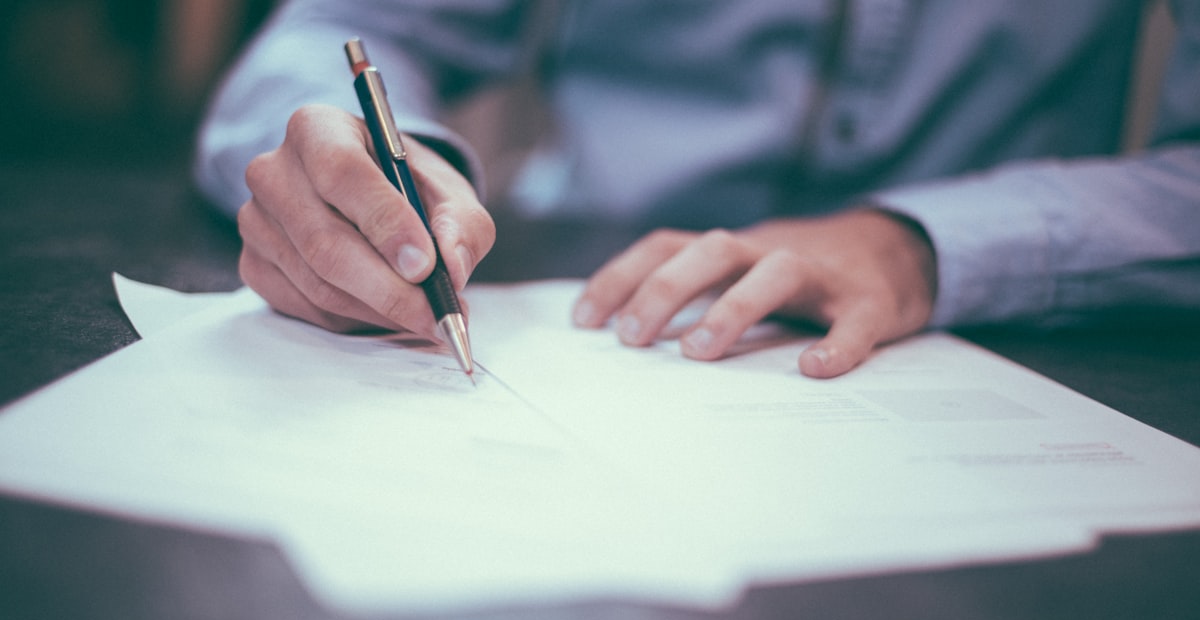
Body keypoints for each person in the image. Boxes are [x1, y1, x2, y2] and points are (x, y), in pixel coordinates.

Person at [194, 0, 1200, 378]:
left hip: (1016, 337)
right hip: (590, 296)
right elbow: (349, 29)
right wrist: (372, 167)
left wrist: (920, 242)